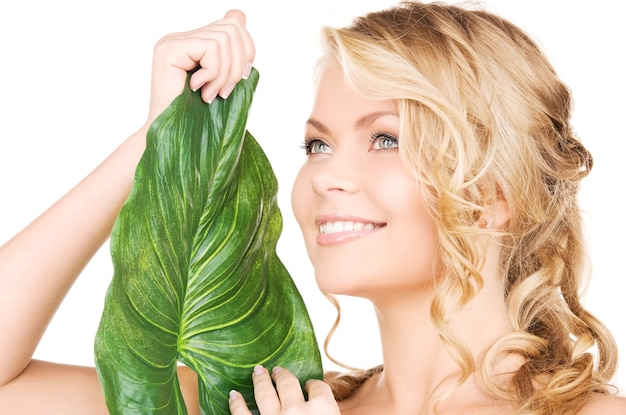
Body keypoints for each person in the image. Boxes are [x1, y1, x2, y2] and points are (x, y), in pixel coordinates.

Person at [0, 2, 624, 414]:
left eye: (385, 138)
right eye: (317, 144)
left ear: (494, 195)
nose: (326, 174)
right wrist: (164, 139)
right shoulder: (268, 403)